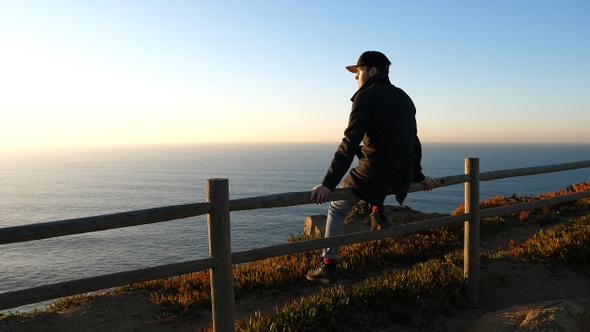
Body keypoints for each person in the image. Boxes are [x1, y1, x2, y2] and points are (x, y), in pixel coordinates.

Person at [307, 51, 436, 283]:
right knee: (370, 158)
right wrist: (419, 175)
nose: (356, 78)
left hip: (377, 172)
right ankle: (377, 208)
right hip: (402, 175)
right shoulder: (405, 97)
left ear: (372, 71)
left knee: (336, 208)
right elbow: (412, 140)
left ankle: (328, 265)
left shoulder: (365, 97)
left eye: (358, 72)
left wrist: (327, 184)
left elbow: (349, 143)